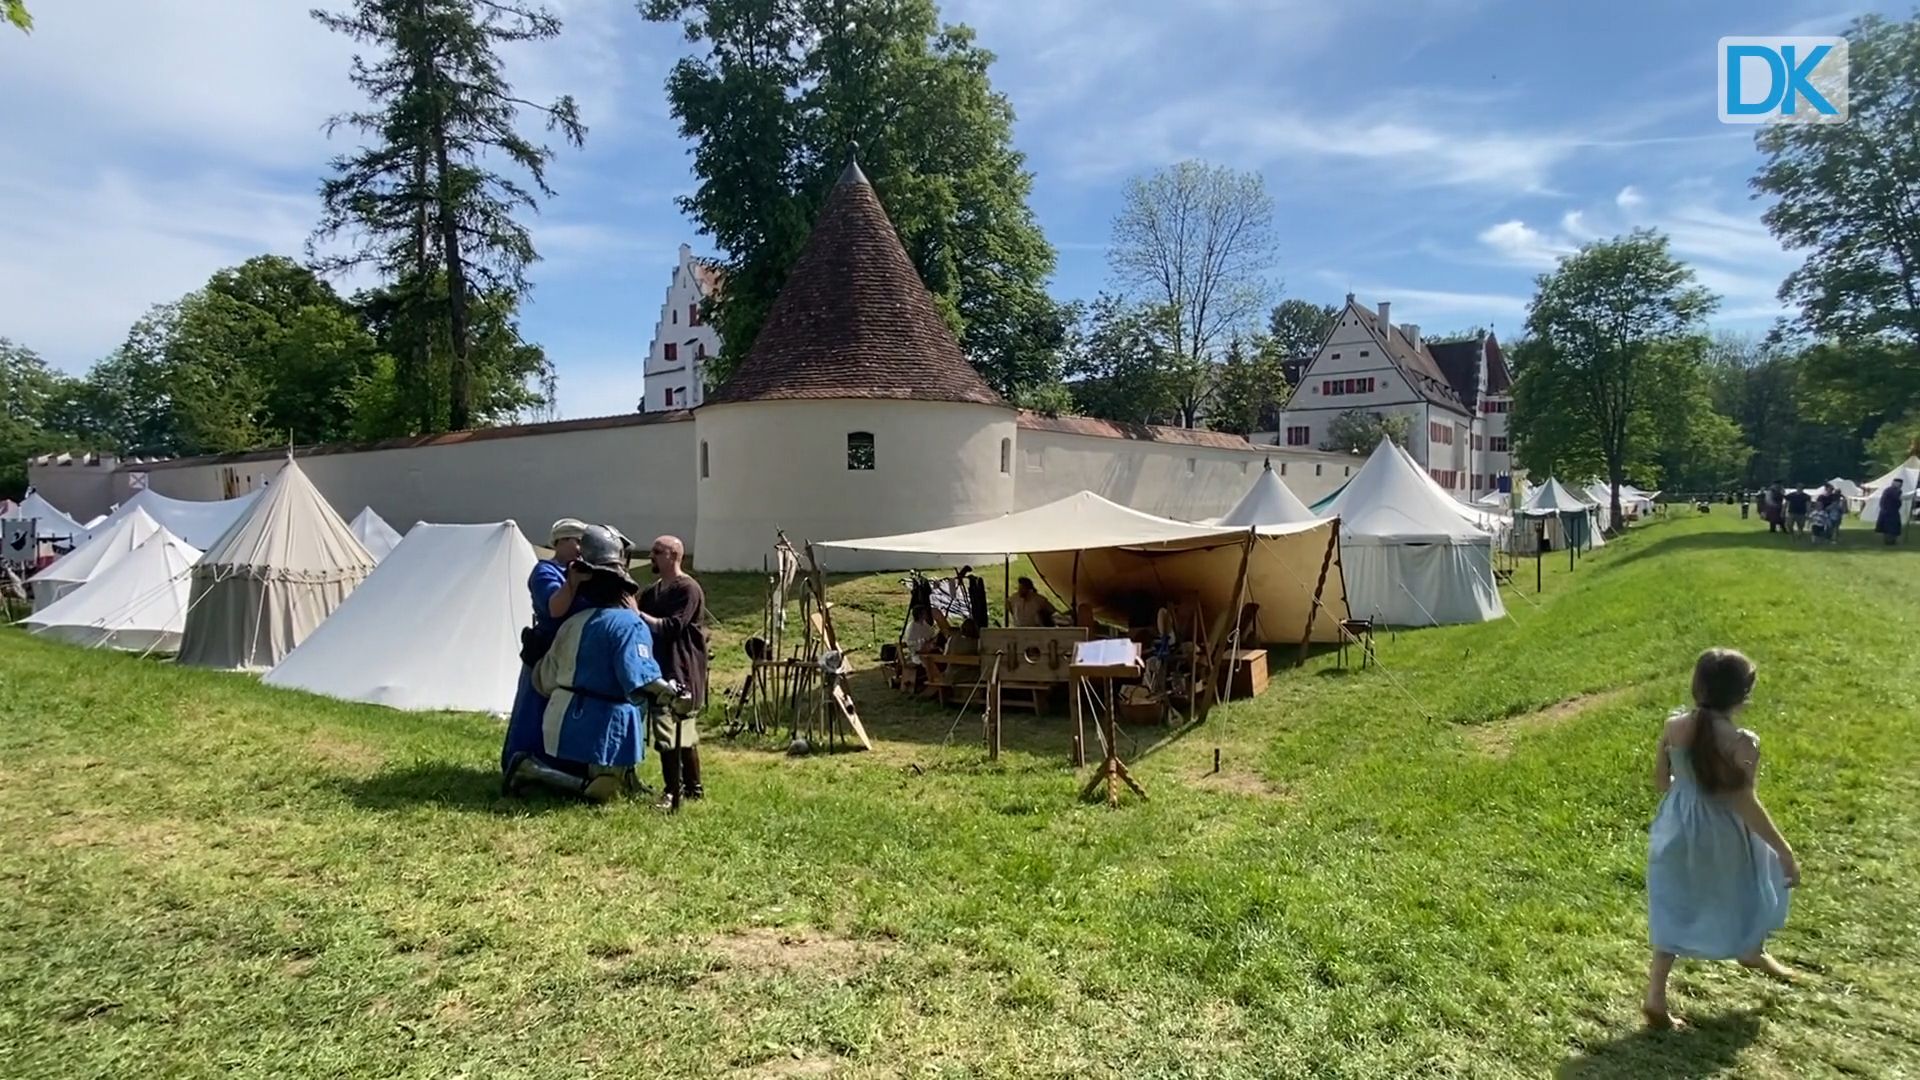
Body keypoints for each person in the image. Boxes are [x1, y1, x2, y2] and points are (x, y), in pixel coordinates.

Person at [1643, 648, 1799, 1029]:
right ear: (1743, 694)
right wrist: (1783, 850)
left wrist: (1688, 787)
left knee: (1675, 905)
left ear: (1697, 685)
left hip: (1675, 826)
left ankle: (1655, 996)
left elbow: (1662, 782)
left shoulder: (1673, 725)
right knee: (1752, 882)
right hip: (1722, 831)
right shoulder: (1743, 742)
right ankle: (1751, 949)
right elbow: (1743, 801)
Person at [508, 525, 696, 802]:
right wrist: (670, 694)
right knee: (605, 785)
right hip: (599, 719)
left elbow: (545, 678)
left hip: (564, 706)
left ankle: (616, 776)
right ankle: (531, 770)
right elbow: (641, 675)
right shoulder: (628, 624)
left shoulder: (574, 623)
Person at [500, 518, 594, 776]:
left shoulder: (587, 572)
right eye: (578, 542)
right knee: (534, 710)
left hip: (574, 652)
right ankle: (521, 762)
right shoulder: (545, 571)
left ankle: (562, 767)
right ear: (561, 541)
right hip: (545, 652)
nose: (581, 549)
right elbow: (555, 608)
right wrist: (572, 582)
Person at [637, 535, 709, 805]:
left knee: (679, 729)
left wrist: (639, 615)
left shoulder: (688, 589)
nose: (652, 555)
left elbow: (672, 626)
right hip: (658, 666)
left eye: (658, 551)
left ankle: (679, 789)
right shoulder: (652, 591)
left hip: (683, 667)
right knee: (666, 728)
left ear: (673, 555)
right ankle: (684, 787)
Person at [1876, 478, 1905, 546]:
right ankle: (1889, 541)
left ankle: (1890, 541)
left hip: (1889, 510)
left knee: (1891, 527)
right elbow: (1896, 498)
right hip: (1889, 511)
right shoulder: (1893, 490)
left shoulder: (1890, 489)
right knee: (1890, 527)